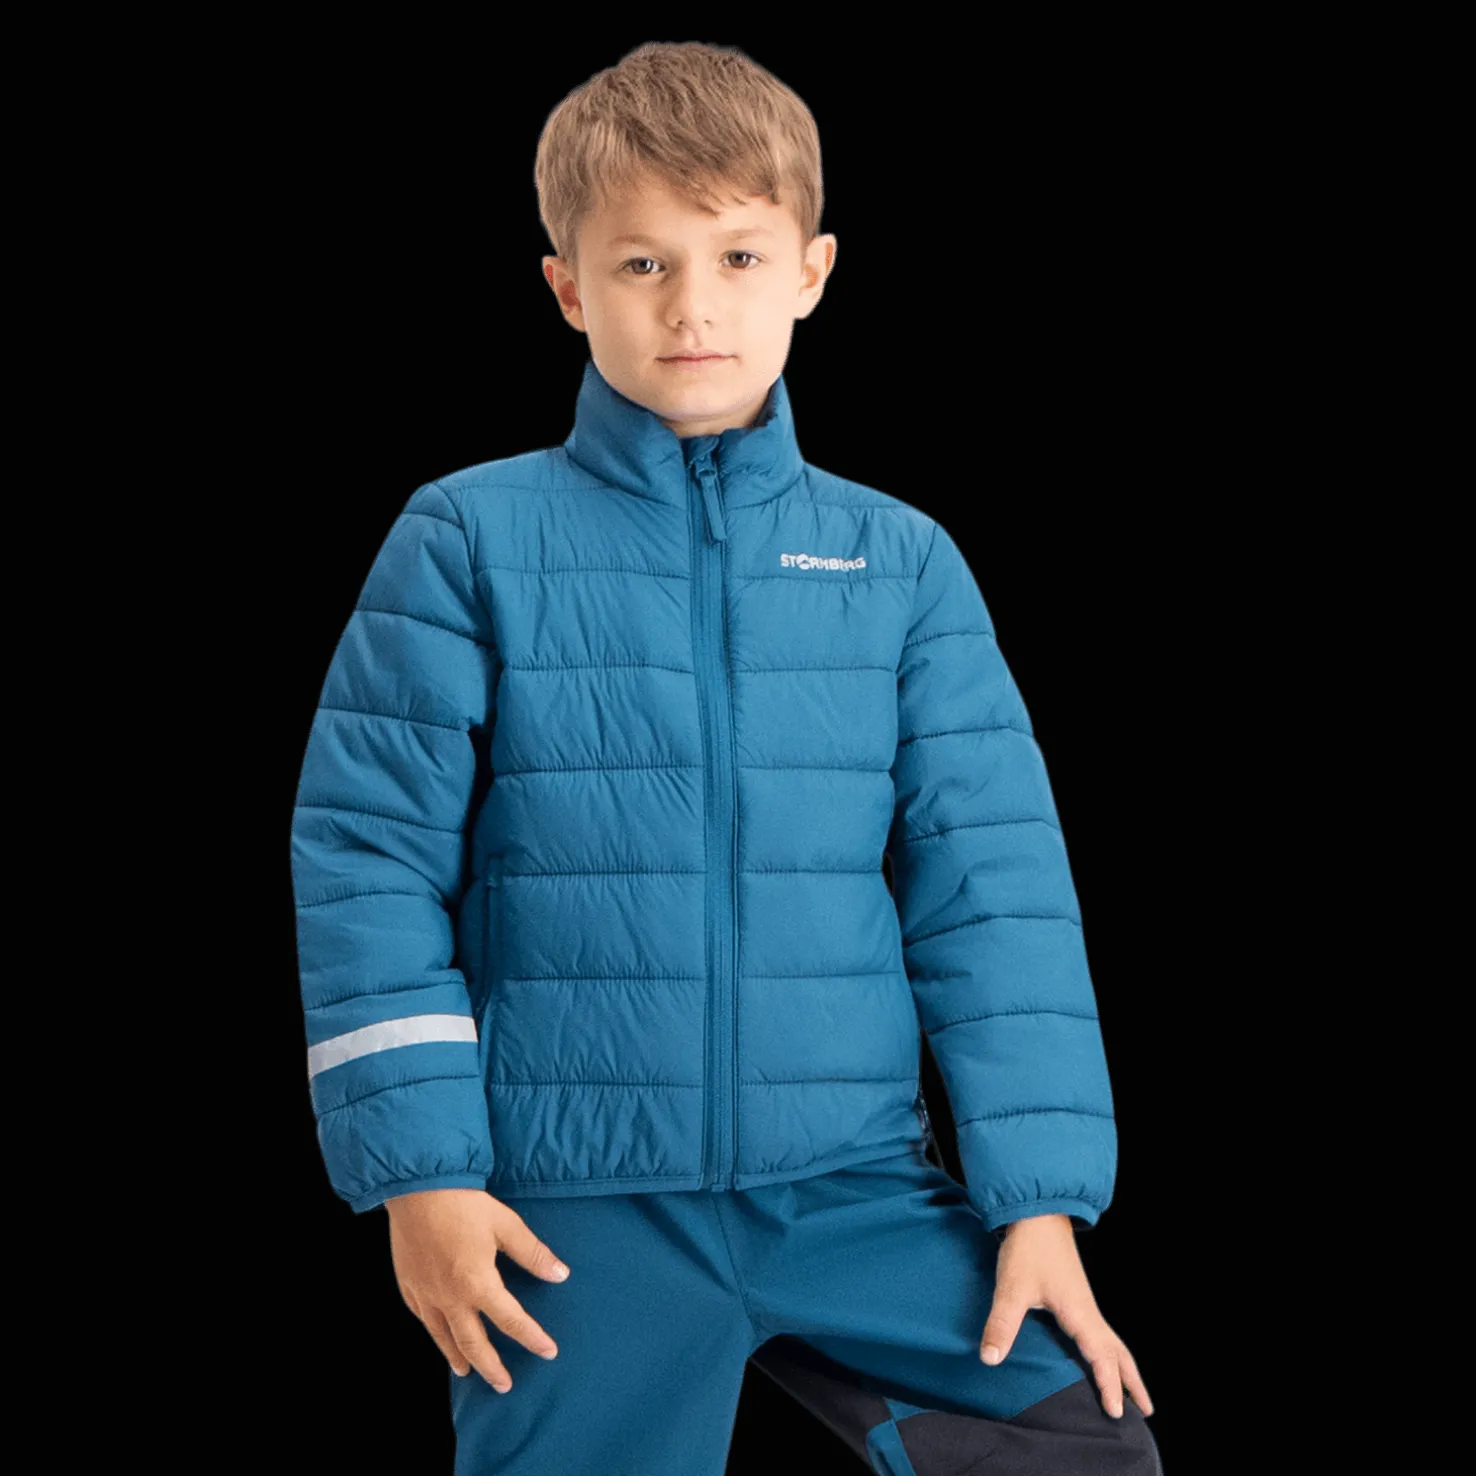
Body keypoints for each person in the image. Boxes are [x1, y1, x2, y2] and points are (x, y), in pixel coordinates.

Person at [290, 39, 1162, 1476]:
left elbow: (995, 896)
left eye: (739, 257)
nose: (693, 306)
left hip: (855, 1187)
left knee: (1089, 1446)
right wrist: (422, 1180)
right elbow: (366, 866)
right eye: (642, 264)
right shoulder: (464, 539)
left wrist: (1041, 1204)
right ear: (568, 288)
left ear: (812, 272)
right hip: (573, 1211)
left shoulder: (901, 563)